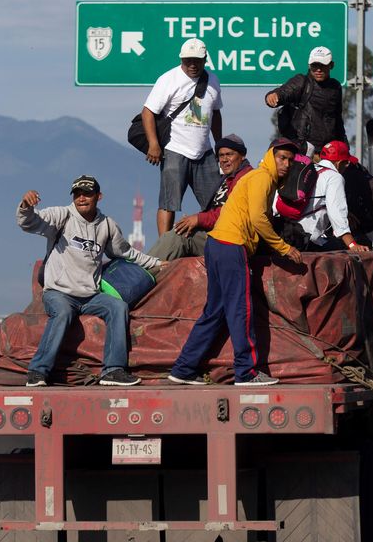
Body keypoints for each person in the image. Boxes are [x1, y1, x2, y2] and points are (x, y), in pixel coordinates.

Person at [169, 139, 304, 387]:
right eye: (281, 158)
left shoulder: (259, 179)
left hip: (216, 244)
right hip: (231, 246)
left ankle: (183, 368)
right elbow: (258, 218)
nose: (286, 163)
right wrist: (284, 248)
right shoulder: (262, 178)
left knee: (215, 311)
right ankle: (246, 372)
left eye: (290, 160)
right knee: (241, 309)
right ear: (270, 156)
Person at [17, 175, 163, 387]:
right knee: (63, 313)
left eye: (87, 193)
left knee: (118, 307)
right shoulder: (62, 216)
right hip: (59, 292)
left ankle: (112, 371)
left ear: (98, 196)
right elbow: (31, 222)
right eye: (77, 194)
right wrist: (25, 206)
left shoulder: (107, 225)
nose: (81, 198)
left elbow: (125, 252)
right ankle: (38, 371)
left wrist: (157, 263)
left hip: (90, 295)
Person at [142, 38, 223, 236]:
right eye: (188, 61)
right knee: (169, 202)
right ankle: (165, 248)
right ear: (181, 59)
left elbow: (216, 113)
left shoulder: (212, 80)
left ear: (205, 60)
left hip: (204, 151)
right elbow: (148, 112)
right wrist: (153, 144)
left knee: (216, 202)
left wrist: (219, 145)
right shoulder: (169, 79)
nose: (192, 65)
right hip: (175, 149)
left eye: (197, 60)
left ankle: (216, 242)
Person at [148, 135, 252, 261]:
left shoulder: (246, 179)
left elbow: (231, 214)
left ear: (242, 156)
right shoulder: (226, 178)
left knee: (181, 236)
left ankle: (141, 272)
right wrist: (194, 221)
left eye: (229, 154)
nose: (224, 159)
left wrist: (198, 219)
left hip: (232, 239)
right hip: (219, 234)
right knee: (180, 230)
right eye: (221, 155)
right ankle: (145, 268)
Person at [283, 140, 370, 253]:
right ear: (339, 163)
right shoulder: (334, 177)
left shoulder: (307, 170)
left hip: (286, 233)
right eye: (346, 163)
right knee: (356, 245)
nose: (346, 167)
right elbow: (336, 213)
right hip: (306, 239)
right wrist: (352, 244)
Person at [265, 46, 345, 155]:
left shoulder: (335, 87)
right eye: (314, 65)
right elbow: (285, 92)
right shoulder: (301, 82)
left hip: (327, 153)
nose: (318, 69)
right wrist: (274, 96)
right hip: (301, 150)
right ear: (309, 65)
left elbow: (338, 120)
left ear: (331, 65)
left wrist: (344, 146)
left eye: (323, 65)